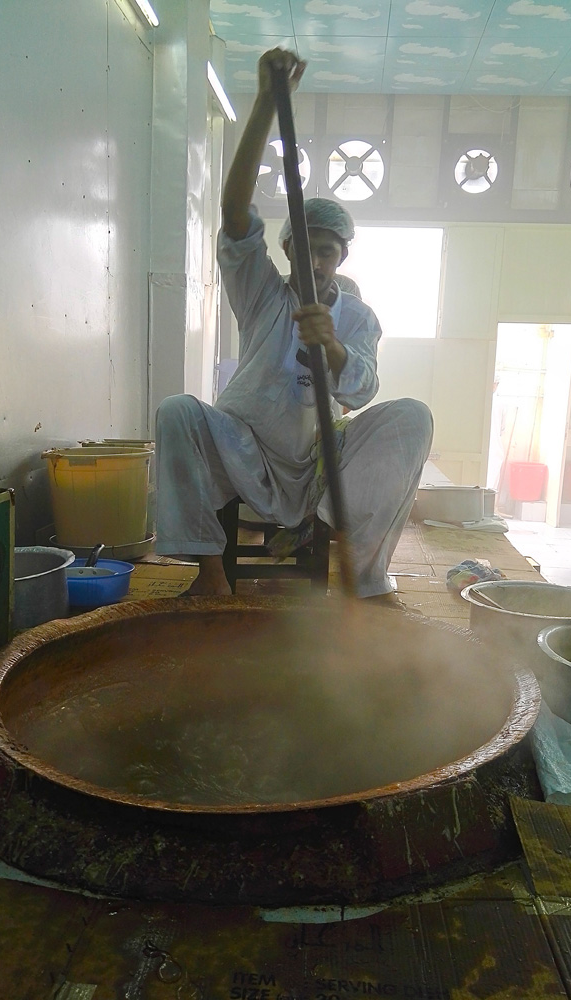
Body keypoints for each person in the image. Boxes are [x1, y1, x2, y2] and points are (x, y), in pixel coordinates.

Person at [154, 47, 433, 603]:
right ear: (286, 252)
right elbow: (236, 214)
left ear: (340, 258)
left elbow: (359, 389)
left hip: (318, 468)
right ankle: (210, 578)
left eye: (327, 252)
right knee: (176, 411)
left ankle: (352, 567)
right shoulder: (264, 294)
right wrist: (263, 103)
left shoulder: (357, 317)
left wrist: (330, 343)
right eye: (306, 251)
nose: (317, 262)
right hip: (245, 450)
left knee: (412, 418)